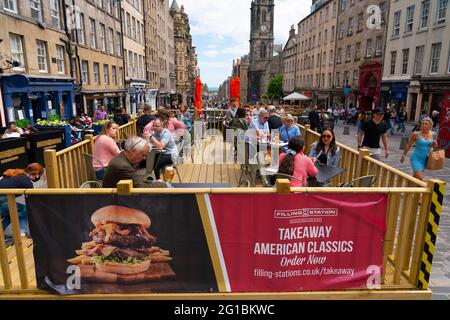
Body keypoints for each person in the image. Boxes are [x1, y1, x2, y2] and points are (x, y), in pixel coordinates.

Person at [0, 163, 44, 238]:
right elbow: (33, 197)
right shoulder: (26, 180)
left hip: (3, 199)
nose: (38, 177)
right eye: (39, 175)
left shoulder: (15, 173)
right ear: (36, 173)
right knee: (24, 211)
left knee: (12, 212)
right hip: (2, 199)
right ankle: (22, 233)